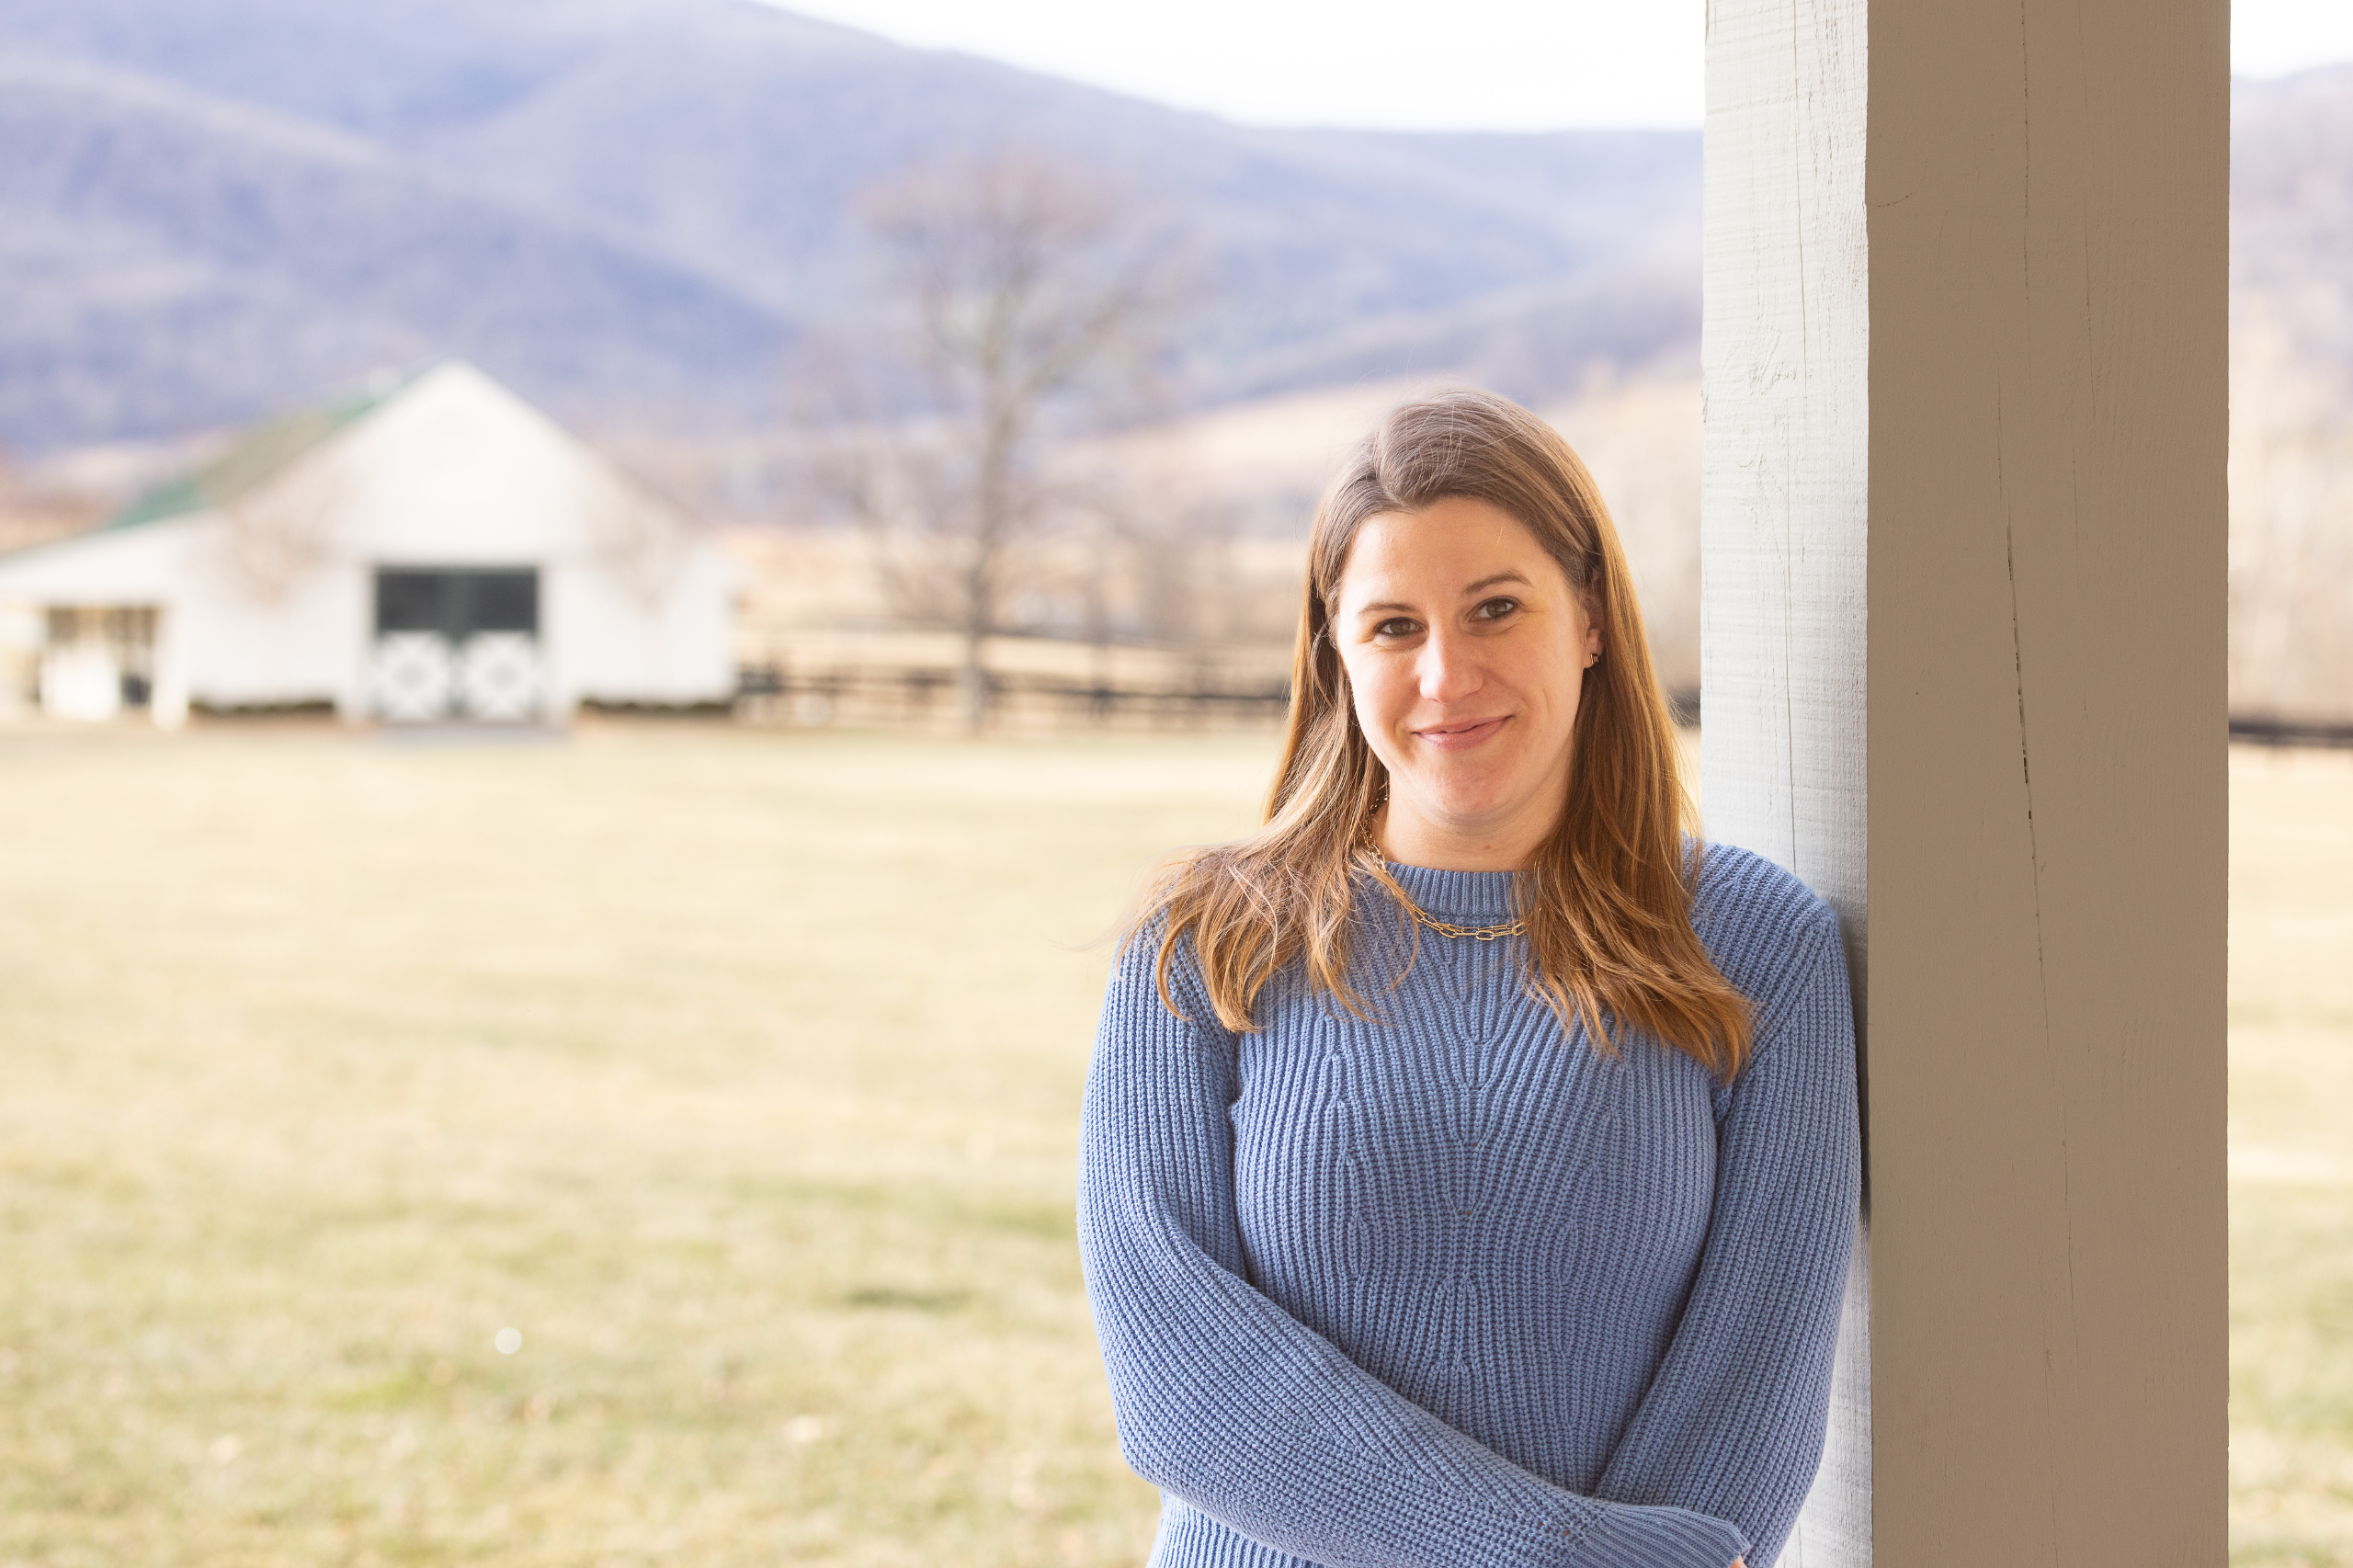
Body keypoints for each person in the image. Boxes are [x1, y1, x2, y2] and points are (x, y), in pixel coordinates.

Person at [1075, 389, 1859, 1568]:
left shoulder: (1754, 948)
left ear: (1589, 618)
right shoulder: (1205, 945)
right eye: (1393, 627)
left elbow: (1758, 1371)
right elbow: (1180, 1384)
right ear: (1335, 654)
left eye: (1496, 608)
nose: (1446, 674)